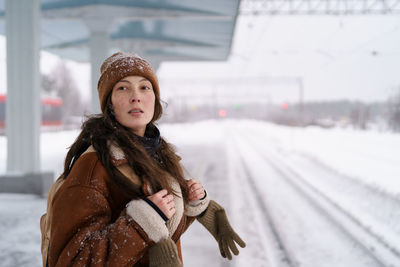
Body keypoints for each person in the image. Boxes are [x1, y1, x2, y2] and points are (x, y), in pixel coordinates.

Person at [47, 52, 245, 267]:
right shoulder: (92, 168)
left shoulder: (158, 156)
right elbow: (73, 261)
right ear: (110, 104)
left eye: (144, 87)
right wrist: (140, 223)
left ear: (155, 100)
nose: (136, 96)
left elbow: (158, 235)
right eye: (123, 88)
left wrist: (186, 204)